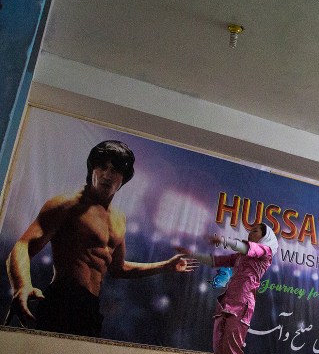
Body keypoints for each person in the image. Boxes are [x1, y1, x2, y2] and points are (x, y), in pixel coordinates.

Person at [5, 140, 195, 337]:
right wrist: (22, 285)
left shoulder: (119, 218)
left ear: (124, 177)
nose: (107, 174)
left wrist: (166, 266)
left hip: (91, 308)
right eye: (102, 167)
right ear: (92, 169)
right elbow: (22, 245)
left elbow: (118, 268)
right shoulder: (67, 204)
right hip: (62, 300)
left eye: (115, 170)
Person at [177, 223, 277, 354]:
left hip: (243, 302)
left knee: (232, 347)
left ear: (265, 236)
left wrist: (223, 240)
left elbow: (247, 247)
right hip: (227, 301)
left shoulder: (266, 251)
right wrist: (191, 253)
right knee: (219, 348)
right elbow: (215, 260)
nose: (250, 233)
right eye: (250, 230)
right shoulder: (241, 256)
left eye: (255, 231)